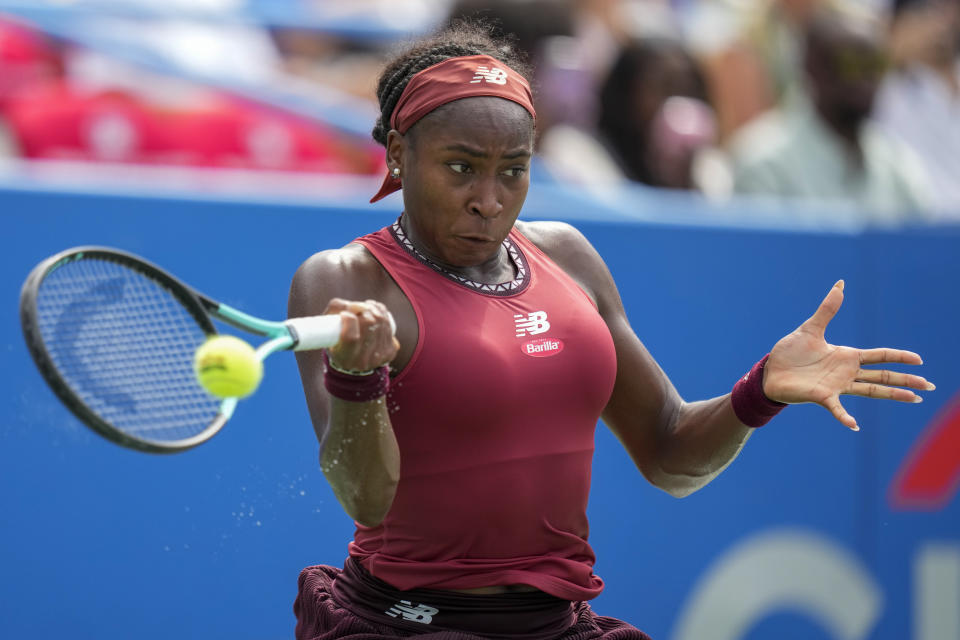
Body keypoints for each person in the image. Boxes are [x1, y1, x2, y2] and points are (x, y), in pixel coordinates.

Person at [287, 20, 933, 639]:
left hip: (558, 627)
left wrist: (759, 390)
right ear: (400, 152)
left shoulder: (568, 256)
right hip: (408, 627)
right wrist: (356, 377)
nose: (489, 198)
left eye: (513, 169)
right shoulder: (344, 281)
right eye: (461, 168)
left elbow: (669, 451)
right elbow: (364, 496)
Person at [729, 3, 933, 221]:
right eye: (852, 64)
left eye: (876, 64)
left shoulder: (898, 164)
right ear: (812, 69)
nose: (867, 78)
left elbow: (922, 248)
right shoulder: (764, 163)